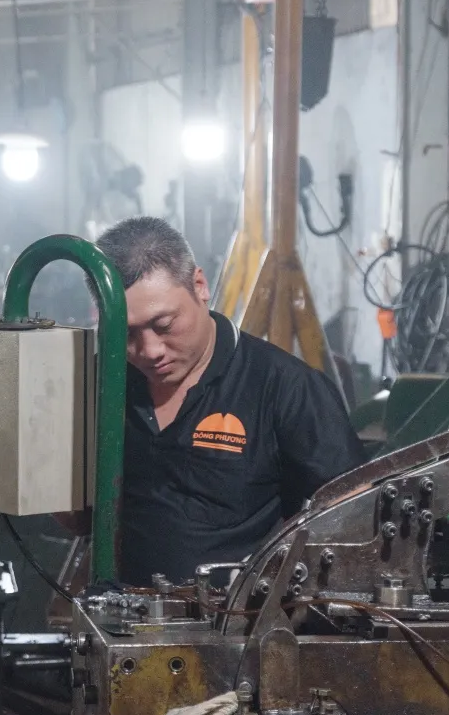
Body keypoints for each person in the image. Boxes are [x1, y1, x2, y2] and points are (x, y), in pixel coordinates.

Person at [95, 216, 359, 584]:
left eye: (164, 325)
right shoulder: (103, 382)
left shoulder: (286, 387)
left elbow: (350, 520)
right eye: (126, 333)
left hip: (240, 616)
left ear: (199, 286)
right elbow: (75, 517)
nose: (149, 350)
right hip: (119, 610)